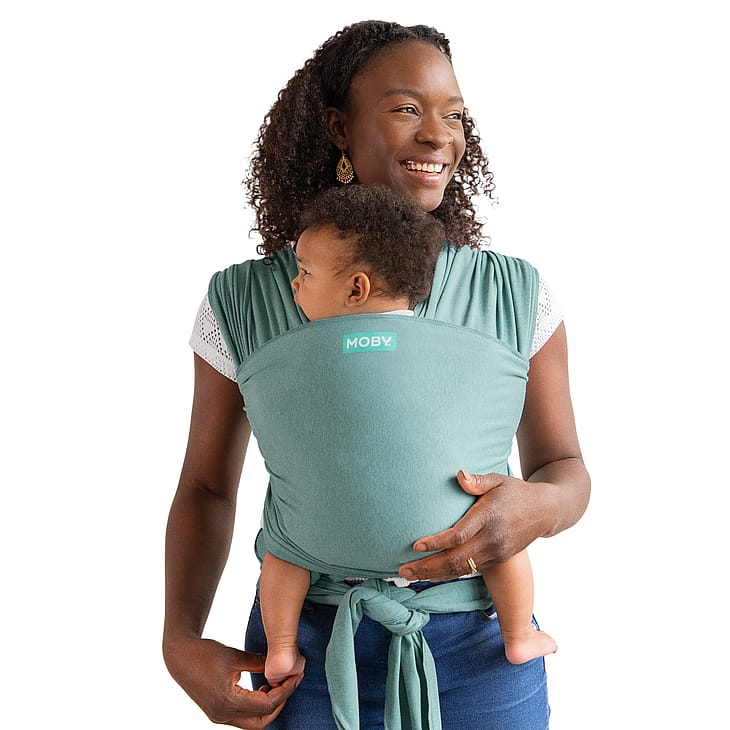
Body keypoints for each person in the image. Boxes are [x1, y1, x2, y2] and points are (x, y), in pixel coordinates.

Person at [164, 19, 590, 730]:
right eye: (406, 109)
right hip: (301, 657)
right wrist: (180, 642)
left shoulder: (514, 294)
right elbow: (206, 487)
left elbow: (564, 468)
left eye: (454, 115)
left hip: (483, 656)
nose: (438, 135)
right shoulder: (247, 301)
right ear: (339, 127)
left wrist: (539, 509)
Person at [259, 183, 557, 688]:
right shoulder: (465, 340)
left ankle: (282, 649)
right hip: (455, 528)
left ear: (356, 289)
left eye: (304, 273)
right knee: (502, 549)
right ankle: (518, 634)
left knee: (284, 550)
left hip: (328, 552)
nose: (293, 283)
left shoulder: (293, 347)